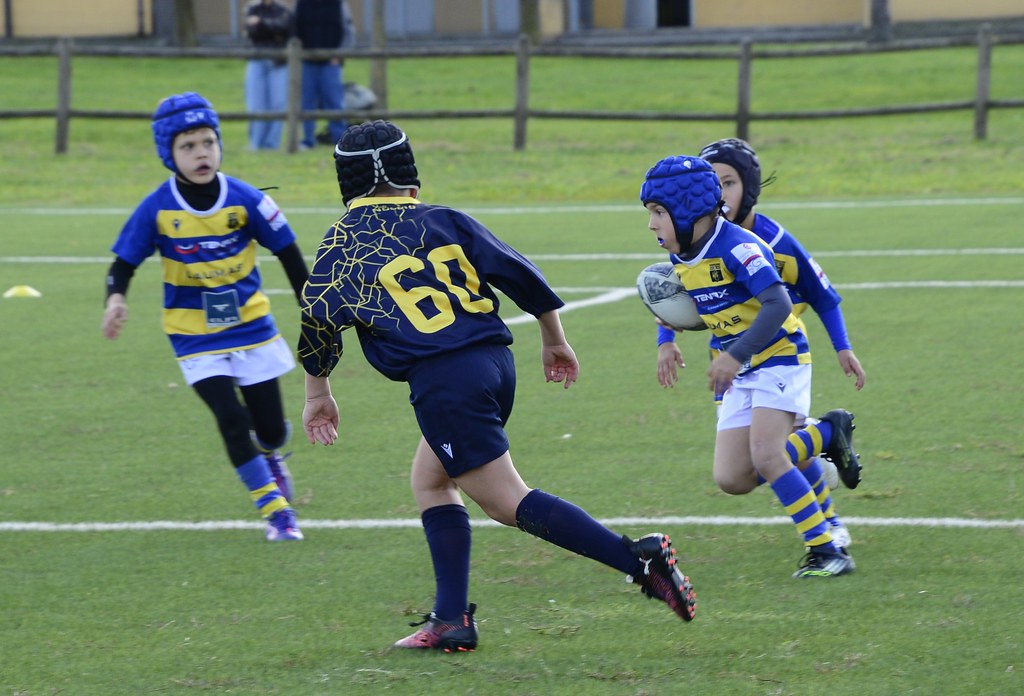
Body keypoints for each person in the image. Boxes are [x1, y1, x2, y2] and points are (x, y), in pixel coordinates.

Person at [299, 119, 698, 651]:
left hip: (445, 381)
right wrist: (553, 339)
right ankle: (450, 619)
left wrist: (318, 395)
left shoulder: (341, 244)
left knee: (507, 501)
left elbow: (317, 322)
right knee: (431, 478)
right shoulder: (445, 219)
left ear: (345, 186)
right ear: (411, 182)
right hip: (494, 363)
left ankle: (638, 560)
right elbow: (518, 271)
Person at [641, 153, 862, 578]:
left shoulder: (739, 247)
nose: (651, 224)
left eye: (658, 213)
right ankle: (827, 432)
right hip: (739, 369)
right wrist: (666, 340)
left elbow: (779, 303)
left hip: (780, 356)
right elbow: (686, 303)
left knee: (767, 455)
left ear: (686, 210)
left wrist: (734, 354)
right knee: (732, 478)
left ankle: (827, 550)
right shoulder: (681, 257)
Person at [101, 92, 309, 542]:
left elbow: (289, 253)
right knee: (231, 420)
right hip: (193, 335)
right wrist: (115, 298)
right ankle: (278, 514)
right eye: (188, 146)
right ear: (169, 154)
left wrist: (311, 306)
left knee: (271, 429)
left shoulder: (245, 199)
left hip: (252, 327)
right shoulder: (158, 207)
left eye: (208, 142)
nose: (201, 153)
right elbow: (123, 263)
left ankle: (271, 455)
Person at [294, 0, 355, 149]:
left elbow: (348, 30)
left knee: (334, 102)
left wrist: (339, 55)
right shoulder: (302, 4)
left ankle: (340, 140)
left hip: (331, 63)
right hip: (307, 62)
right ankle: (307, 140)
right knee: (306, 103)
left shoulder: (338, 4)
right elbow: (295, 29)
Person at [244, 0, 294, 150]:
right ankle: (256, 144)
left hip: (278, 62)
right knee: (256, 104)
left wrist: (260, 23)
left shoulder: (283, 10)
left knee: (278, 104)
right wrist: (272, 30)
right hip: (257, 60)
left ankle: (272, 144)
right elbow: (251, 32)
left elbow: (284, 28)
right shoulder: (252, 8)